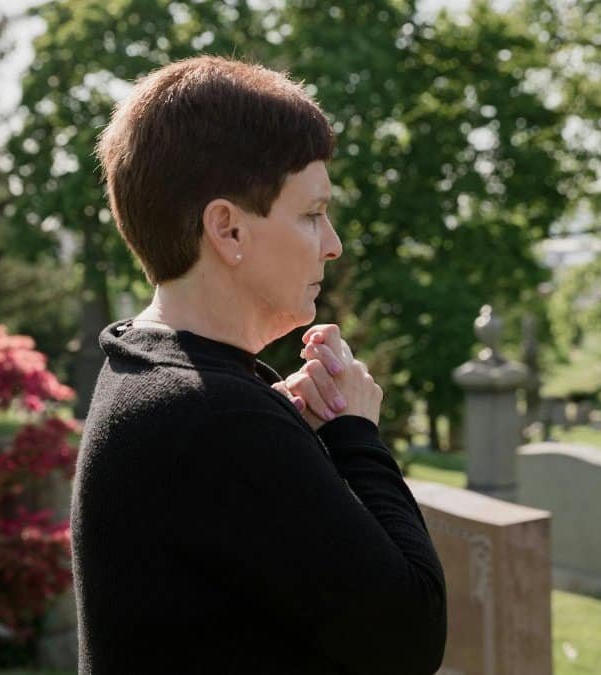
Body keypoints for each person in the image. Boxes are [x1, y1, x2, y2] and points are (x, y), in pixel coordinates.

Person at [71, 56, 447, 674]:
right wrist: (357, 435)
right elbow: (410, 635)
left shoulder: (150, 367)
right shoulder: (215, 416)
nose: (334, 243)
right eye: (311, 213)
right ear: (229, 231)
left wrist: (288, 429)